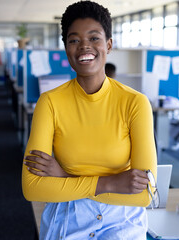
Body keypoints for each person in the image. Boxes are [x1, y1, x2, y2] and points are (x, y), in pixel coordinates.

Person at [22, 1, 157, 239]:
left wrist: (65, 178)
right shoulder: (50, 102)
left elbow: (144, 194)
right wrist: (112, 184)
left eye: (94, 38)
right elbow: (33, 188)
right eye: (74, 40)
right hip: (67, 216)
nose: (84, 46)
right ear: (66, 50)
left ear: (109, 44)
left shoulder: (135, 103)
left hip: (122, 220)